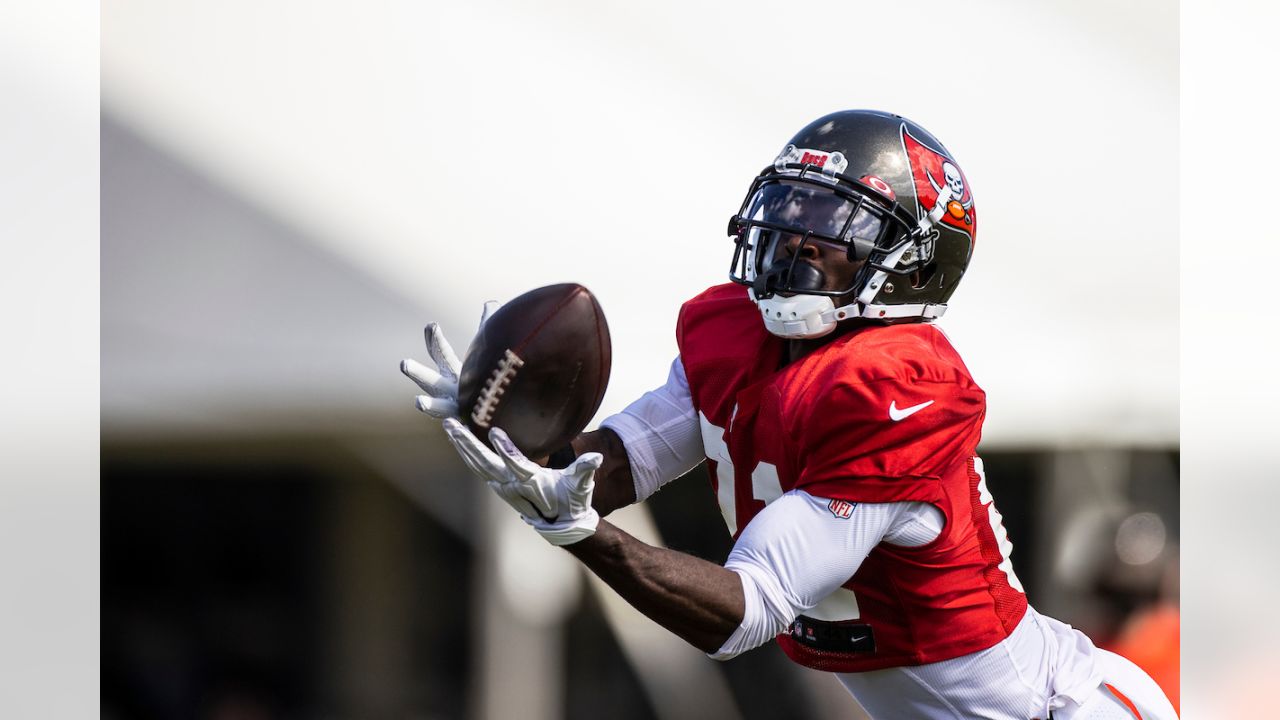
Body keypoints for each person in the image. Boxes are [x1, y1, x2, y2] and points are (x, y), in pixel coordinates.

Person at [401, 110, 1178, 719]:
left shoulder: (897, 387)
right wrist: (508, 437)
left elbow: (746, 612)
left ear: (911, 259)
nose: (796, 237)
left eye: (835, 223)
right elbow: (618, 462)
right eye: (793, 206)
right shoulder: (734, 334)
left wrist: (576, 532)